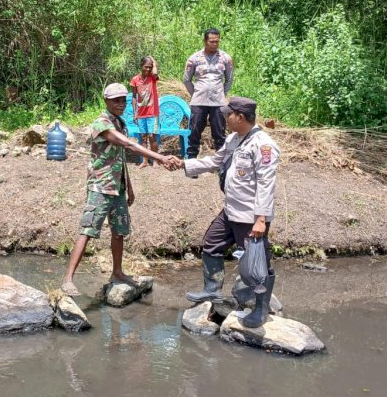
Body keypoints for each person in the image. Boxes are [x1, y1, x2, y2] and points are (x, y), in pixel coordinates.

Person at [61, 83, 182, 296]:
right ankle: (68, 279)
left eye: (123, 100)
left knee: (119, 231)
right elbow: (128, 145)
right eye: (115, 100)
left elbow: (121, 158)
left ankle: (117, 272)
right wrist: (161, 158)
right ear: (106, 101)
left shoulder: (120, 122)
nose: (120, 104)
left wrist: (130, 187)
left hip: (118, 187)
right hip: (101, 185)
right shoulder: (102, 123)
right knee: (88, 230)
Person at [171, 96, 280, 328]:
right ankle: (212, 290)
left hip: (250, 216)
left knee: (257, 263)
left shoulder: (263, 145)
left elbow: (266, 183)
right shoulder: (234, 139)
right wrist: (183, 164)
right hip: (231, 210)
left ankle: (260, 309)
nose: (224, 118)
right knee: (212, 242)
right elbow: (215, 161)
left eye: (228, 114)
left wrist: (261, 219)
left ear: (239, 117)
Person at [183, 28, 234, 159]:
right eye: (211, 41)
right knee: (194, 132)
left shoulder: (225, 58)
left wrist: (222, 93)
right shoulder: (194, 58)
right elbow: (187, 80)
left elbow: (229, 79)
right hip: (199, 101)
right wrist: (195, 93)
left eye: (217, 41)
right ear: (205, 41)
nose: (214, 44)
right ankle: (192, 162)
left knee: (219, 133)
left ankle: (221, 164)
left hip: (218, 102)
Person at [129, 56, 160, 168]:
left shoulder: (152, 78)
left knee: (152, 136)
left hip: (152, 112)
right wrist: (134, 113)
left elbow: (155, 73)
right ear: (141, 66)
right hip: (141, 113)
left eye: (150, 67)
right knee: (143, 137)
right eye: (146, 67)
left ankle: (155, 160)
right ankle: (145, 161)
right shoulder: (135, 80)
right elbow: (134, 96)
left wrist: (154, 63)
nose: (148, 69)